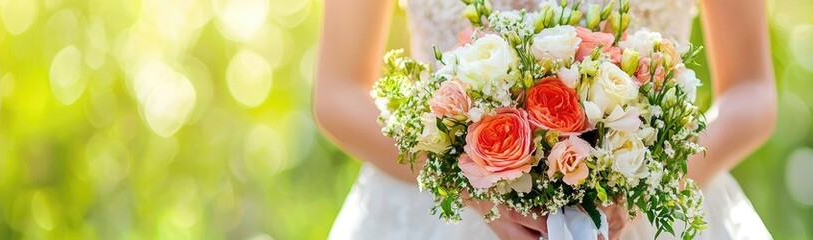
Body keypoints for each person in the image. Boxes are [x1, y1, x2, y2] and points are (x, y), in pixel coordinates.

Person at [314, 0, 777, 239]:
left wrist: (652, 181)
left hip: (649, 214)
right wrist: (467, 185)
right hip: (438, 216)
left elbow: (751, 90)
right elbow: (338, 93)